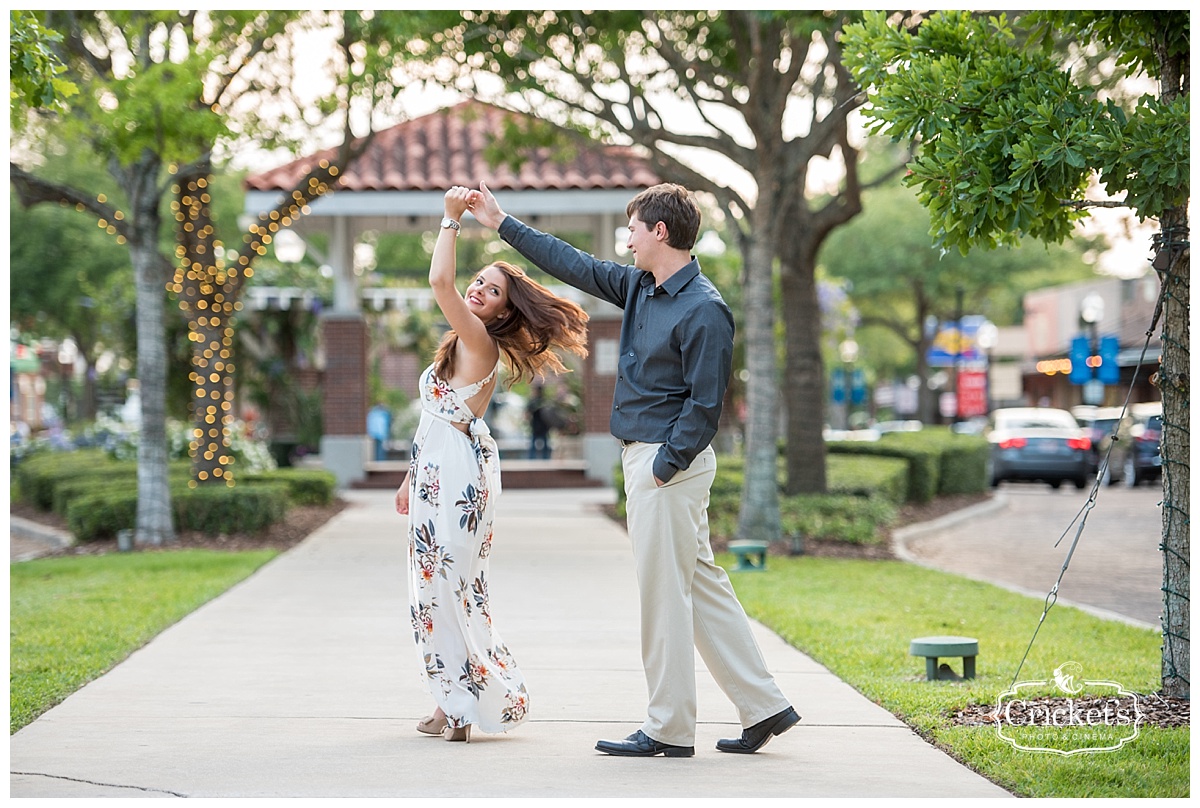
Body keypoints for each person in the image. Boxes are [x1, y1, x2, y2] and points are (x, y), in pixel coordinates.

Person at [469, 181, 799, 758]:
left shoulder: (705, 309)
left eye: (634, 228)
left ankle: (669, 729)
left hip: (667, 463)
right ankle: (765, 706)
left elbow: (704, 406)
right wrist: (502, 223)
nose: (627, 239)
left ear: (659, 233)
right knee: (700, 585)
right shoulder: (641, 287)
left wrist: (664, 467)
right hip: (653, 460)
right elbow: (572, 263)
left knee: (664, 596)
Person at [394, 186, 589, 744]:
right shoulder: (461, 345)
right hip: (439, 469)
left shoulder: (479, 340)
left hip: (454, 475)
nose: (477, 290)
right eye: (478, 282)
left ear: (504, 309)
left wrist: (450, 221)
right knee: (440, 587)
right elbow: (438, 419)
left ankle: (458, 706)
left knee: (446, 587)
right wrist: (410, 476)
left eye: (491, 289)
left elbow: (438, 282)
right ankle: (449, 700)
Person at [526, 383, 553, 459]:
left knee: (533, 444)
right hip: (544, 425)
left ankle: (531, 459)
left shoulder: (532, 402)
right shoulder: (544, 401)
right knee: (545, 444)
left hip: (535, 425)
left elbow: (527, 414)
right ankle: (546, 458)